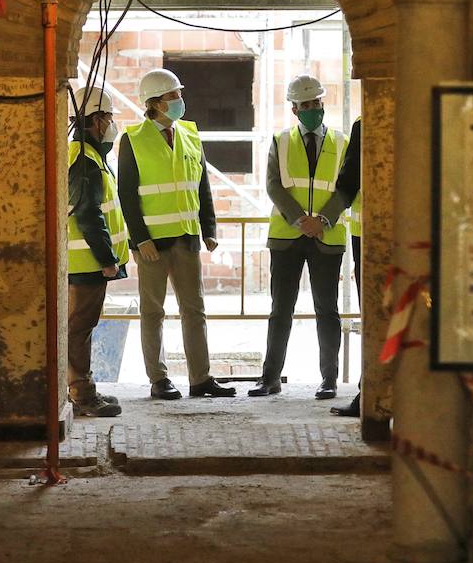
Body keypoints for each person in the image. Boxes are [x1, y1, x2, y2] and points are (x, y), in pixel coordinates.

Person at [118, 68, 236, 400]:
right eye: (172, 96)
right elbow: (126, 193)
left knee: (194, 310)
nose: (179, 101)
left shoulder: (190, 135)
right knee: (153, 311)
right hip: (152, 243)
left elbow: (202, 186)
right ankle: (159, 379)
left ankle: (201, 379)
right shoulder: (133, 139)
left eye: (179, 95)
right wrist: (140, 239)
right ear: (154, 103)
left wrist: (209, 228)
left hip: (186, 237)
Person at [249, 75, 349, 400]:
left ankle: (329, 379)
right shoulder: (280, 141)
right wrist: (299, 219)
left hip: (327, 236)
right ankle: (270, 377)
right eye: (305, 105)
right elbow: (273, 184)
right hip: (287, 237)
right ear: (294, 109)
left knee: (327, 310)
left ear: (323, 103)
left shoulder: (342, 142)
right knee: (281, 309)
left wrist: (323, 219)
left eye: (316, 103)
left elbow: (347, 187)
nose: (312, 110)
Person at [66, 87, 128, 418]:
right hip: (87, 262)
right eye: (108, 118)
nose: (111, 124)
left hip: (87, 261)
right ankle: (82, 395)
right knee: (79, 328)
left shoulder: (87, 157)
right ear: (95, 120)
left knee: (79, 328)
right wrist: (107, 260)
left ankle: (82, 388)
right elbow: (88, 214)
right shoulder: (85, 161)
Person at [330, 116, 362, 417]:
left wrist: (325, 216)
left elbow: (348, 182)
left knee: (376, 316)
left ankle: (371, 393)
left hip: (370, 238)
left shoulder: (367, 122)